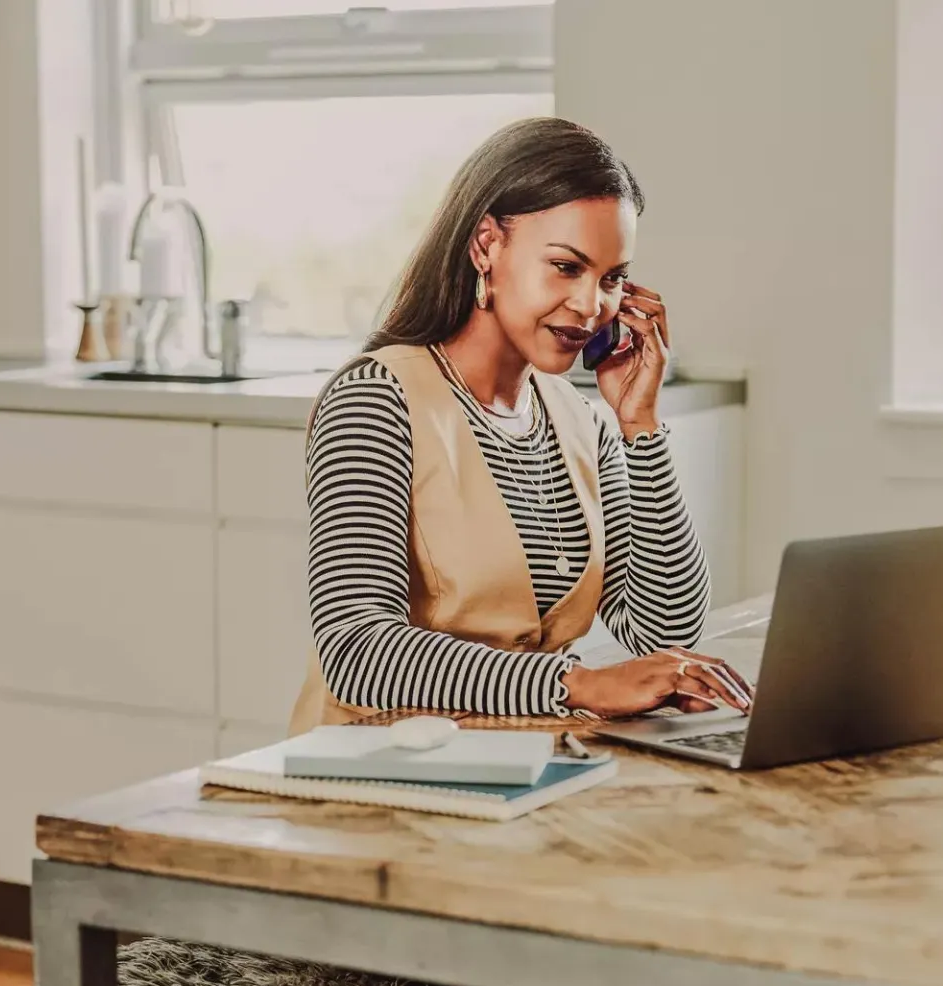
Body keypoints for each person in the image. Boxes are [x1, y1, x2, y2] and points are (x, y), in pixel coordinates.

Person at [290, 116, 755, 734]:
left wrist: (640, 425)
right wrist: (577, 683)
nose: (593, 306)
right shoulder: (378, 399)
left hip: (526, 765)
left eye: (612, 278)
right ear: (486, 246)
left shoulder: (579, 421)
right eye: (567, 266)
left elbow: (662, 630)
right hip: (377, 774)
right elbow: (357, 651)